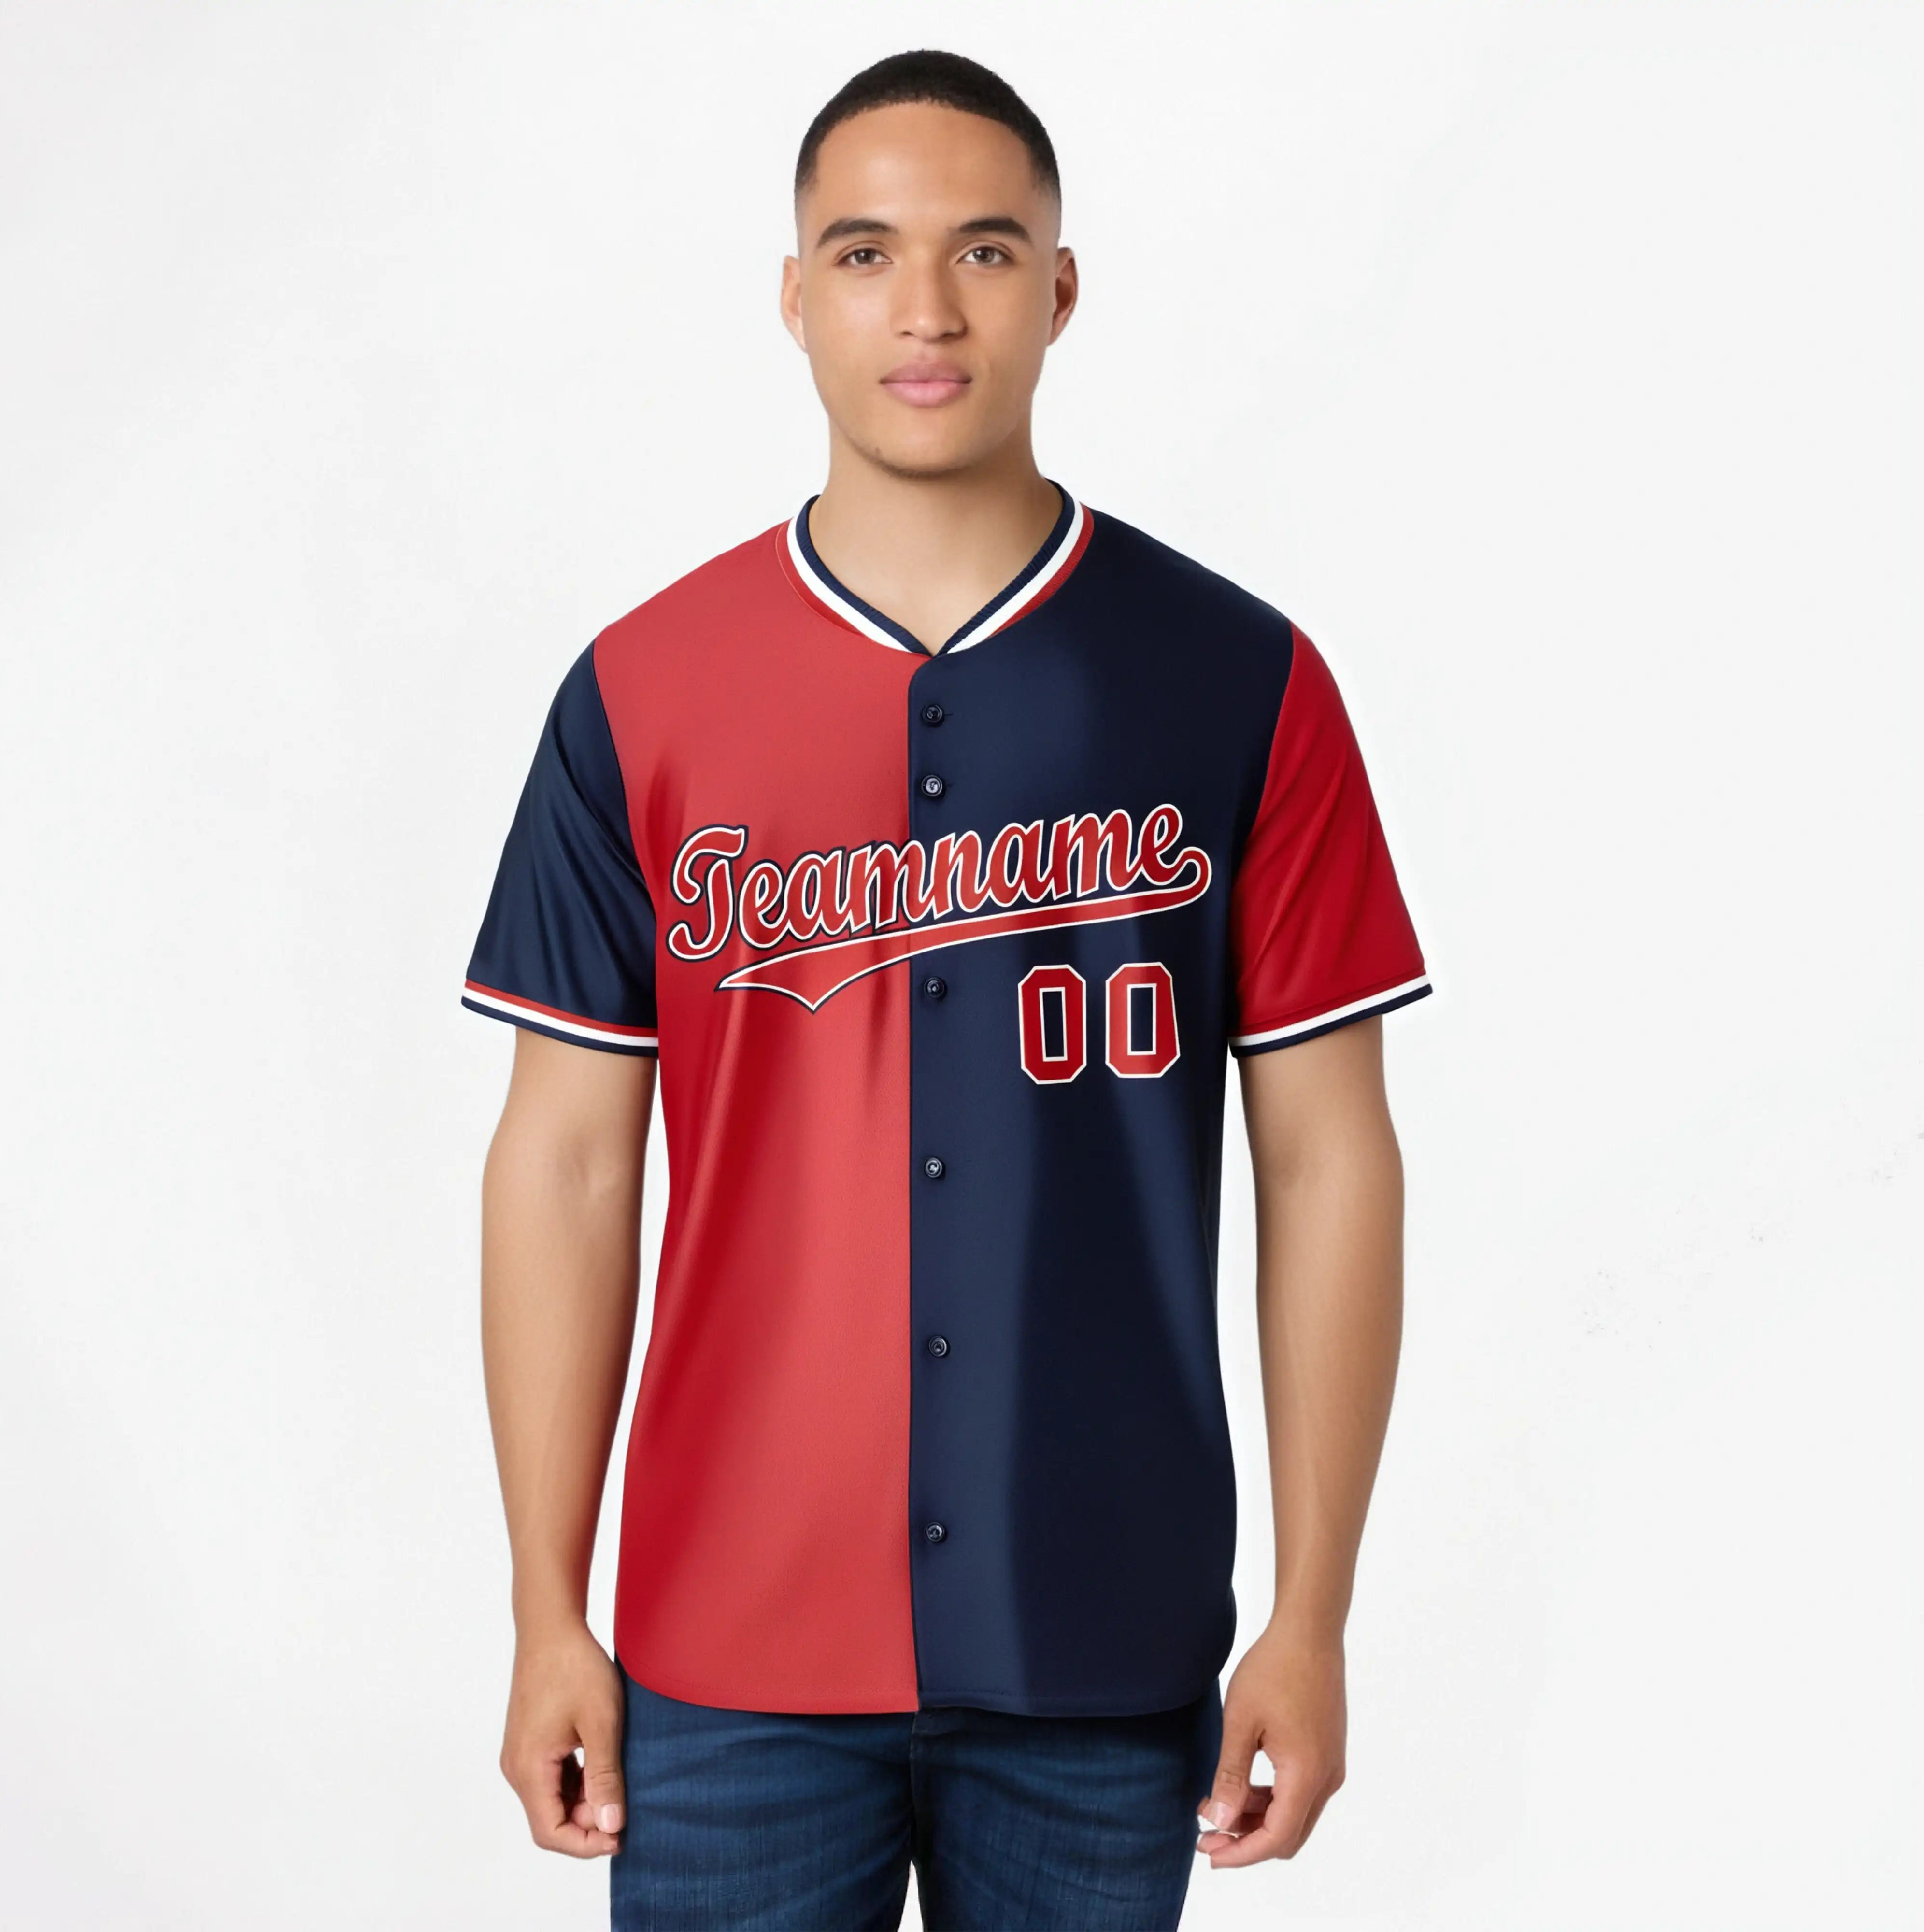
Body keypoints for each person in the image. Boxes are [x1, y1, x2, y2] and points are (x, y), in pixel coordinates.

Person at [462, 47, 1432, 1932]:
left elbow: (1329, 1157)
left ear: (1059, 290)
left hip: (1102, 1629)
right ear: (792, 296)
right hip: (727, 1645)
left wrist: (1312, 1617)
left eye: (983, 251)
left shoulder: (1238, 678)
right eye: (864, 253)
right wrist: (544, 1608)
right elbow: (566, 1162)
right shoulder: (642, 690)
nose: (925, 307)